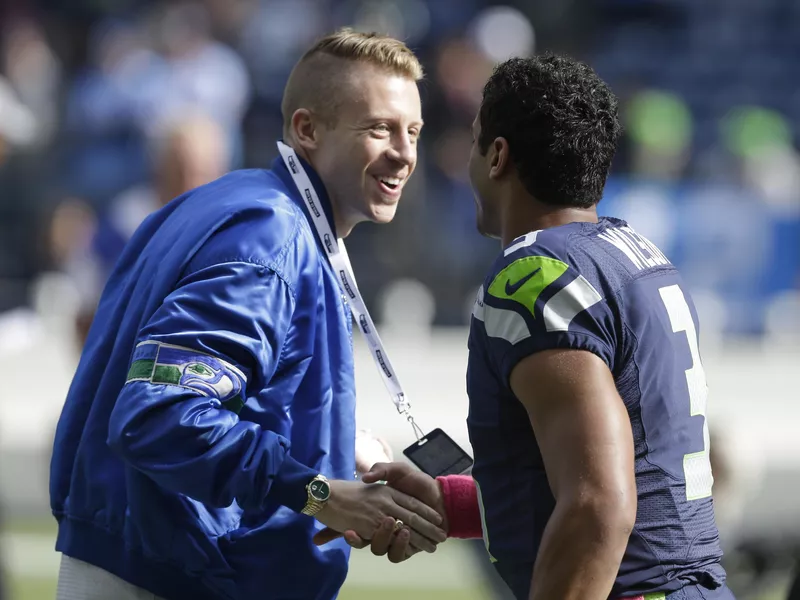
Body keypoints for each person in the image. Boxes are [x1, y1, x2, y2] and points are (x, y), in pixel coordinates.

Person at [49, 28, 446, 600]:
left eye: (412, 132)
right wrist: (319, 495)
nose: (404, 153)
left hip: (156, 558)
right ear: (306, 129)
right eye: (379, 128)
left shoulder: (243, 207)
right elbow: (161, 414)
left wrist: (341, 459)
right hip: (175, 572)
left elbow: (232, 389)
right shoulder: (270, 236)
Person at [320, 54, 735, 600]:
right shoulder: (633, 253)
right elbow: (609, 469)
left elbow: (598, 503)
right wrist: (451, 502)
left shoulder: (535, 274)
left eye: (473, 142)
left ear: (497, 156)